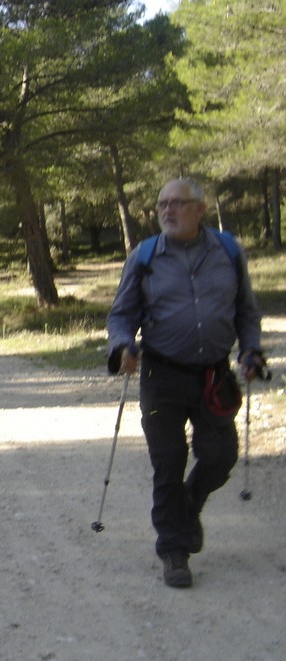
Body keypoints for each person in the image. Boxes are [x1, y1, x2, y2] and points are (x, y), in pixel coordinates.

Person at [107, 178, 263, 589]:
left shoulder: (227, 252)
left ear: (199, 209)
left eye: (177, 203)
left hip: (214, 374)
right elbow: (121, 315)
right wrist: (123, 345)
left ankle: (190, 502)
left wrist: (251, 351)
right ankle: (174, 550)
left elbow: (246, 311)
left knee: (220, 455)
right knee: (168, 460)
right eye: (162, 204)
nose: (167, 211)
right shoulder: (144, 256)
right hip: (162, 375)